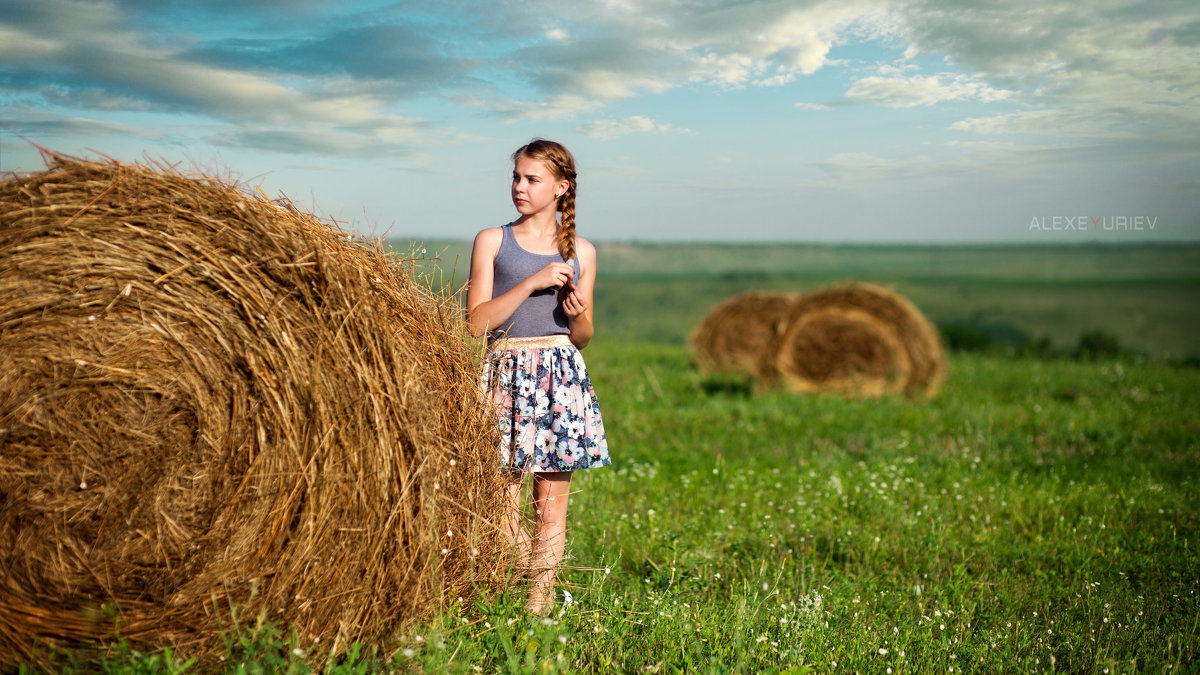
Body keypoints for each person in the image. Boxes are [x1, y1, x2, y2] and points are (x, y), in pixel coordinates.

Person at [466, 138, 611, 615]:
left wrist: (578, 313)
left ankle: (537, 608)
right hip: (505, 371)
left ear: (561, 187)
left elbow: (584, 336)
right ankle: (515, 584)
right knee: (502, 504)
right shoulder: (493, 240)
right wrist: (530, 283)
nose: (519, 188)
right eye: (516, 177)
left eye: (532, 179)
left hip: (560, 375)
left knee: (551, 507)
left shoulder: (582, 252)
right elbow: (476, 323)